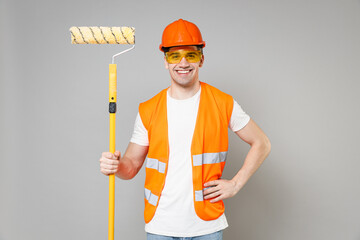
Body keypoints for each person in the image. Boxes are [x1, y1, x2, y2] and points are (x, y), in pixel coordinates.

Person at [99, 19, 271, 240]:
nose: (182, 63)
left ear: (201, 59)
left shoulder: (223, 103)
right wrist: (116, 166)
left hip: (206, 227)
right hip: (160, 226)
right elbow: (130, 167)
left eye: (190, 55)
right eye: (174, 56)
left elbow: (262, 143)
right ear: (165, 61)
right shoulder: (148, 110)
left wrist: (236, 184)